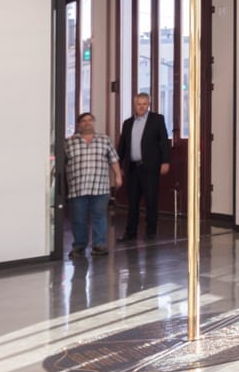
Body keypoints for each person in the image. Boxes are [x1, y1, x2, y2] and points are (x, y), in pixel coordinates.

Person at [61, 111, 118, 259]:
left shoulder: (104, 140)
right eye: (84, 121)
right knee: (78, 219)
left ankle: (99, 245)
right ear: (79, 125)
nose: (87, 123)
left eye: (90, 120)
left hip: (100, 187)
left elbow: (113, 159)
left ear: (94, 122)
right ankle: (79, 247)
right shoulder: (69, 142)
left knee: (99, 217)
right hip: (77, 187)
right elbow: (62, 163)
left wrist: (118, 176)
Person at [118, 90, 169, 242]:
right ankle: (130, 233)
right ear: (135, 105)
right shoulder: (127, 123)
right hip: (133, 168)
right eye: (139, 104)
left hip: (150, 168)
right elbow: (122, 146)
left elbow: (164, 142)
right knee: (132, 202)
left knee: (151, 200)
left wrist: (165, 161)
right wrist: (119, 165)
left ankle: (150, 233)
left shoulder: (157, 119)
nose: (141, 107)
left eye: (144, 104)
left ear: (149, 105)